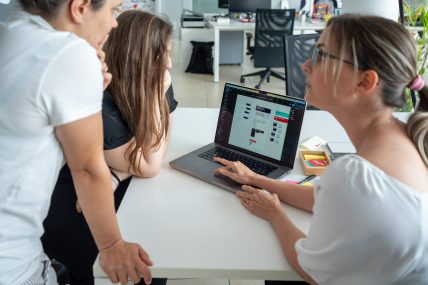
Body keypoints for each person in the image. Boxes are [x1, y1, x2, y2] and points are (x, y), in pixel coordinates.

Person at [215, 14, 428, 284]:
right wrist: (257, 179)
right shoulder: (407, 135)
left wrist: (274, 213)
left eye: (321, 56)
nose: (305, 65)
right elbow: (324, 198)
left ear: (365, 82)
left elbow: (313, 273)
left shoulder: (354, 175)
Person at [0, 1, 154, 285]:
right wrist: (111, 247)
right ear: (80, 8)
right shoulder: (68, 53)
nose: (115, 23)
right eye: (112, 9)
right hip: (11, 264)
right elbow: (86, 167)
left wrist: (87, 89)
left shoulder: (11, 30)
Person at [41, 10, 177, 285]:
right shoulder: (100, 105)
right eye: (164, 55)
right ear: (139, 58)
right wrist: (156, 98)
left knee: (160, 242)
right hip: (70, 202)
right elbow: (150, 165)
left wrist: (120, 172)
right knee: (142, 272)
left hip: (104, 182)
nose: (170, 65)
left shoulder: (146, 81)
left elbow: (161, 140)